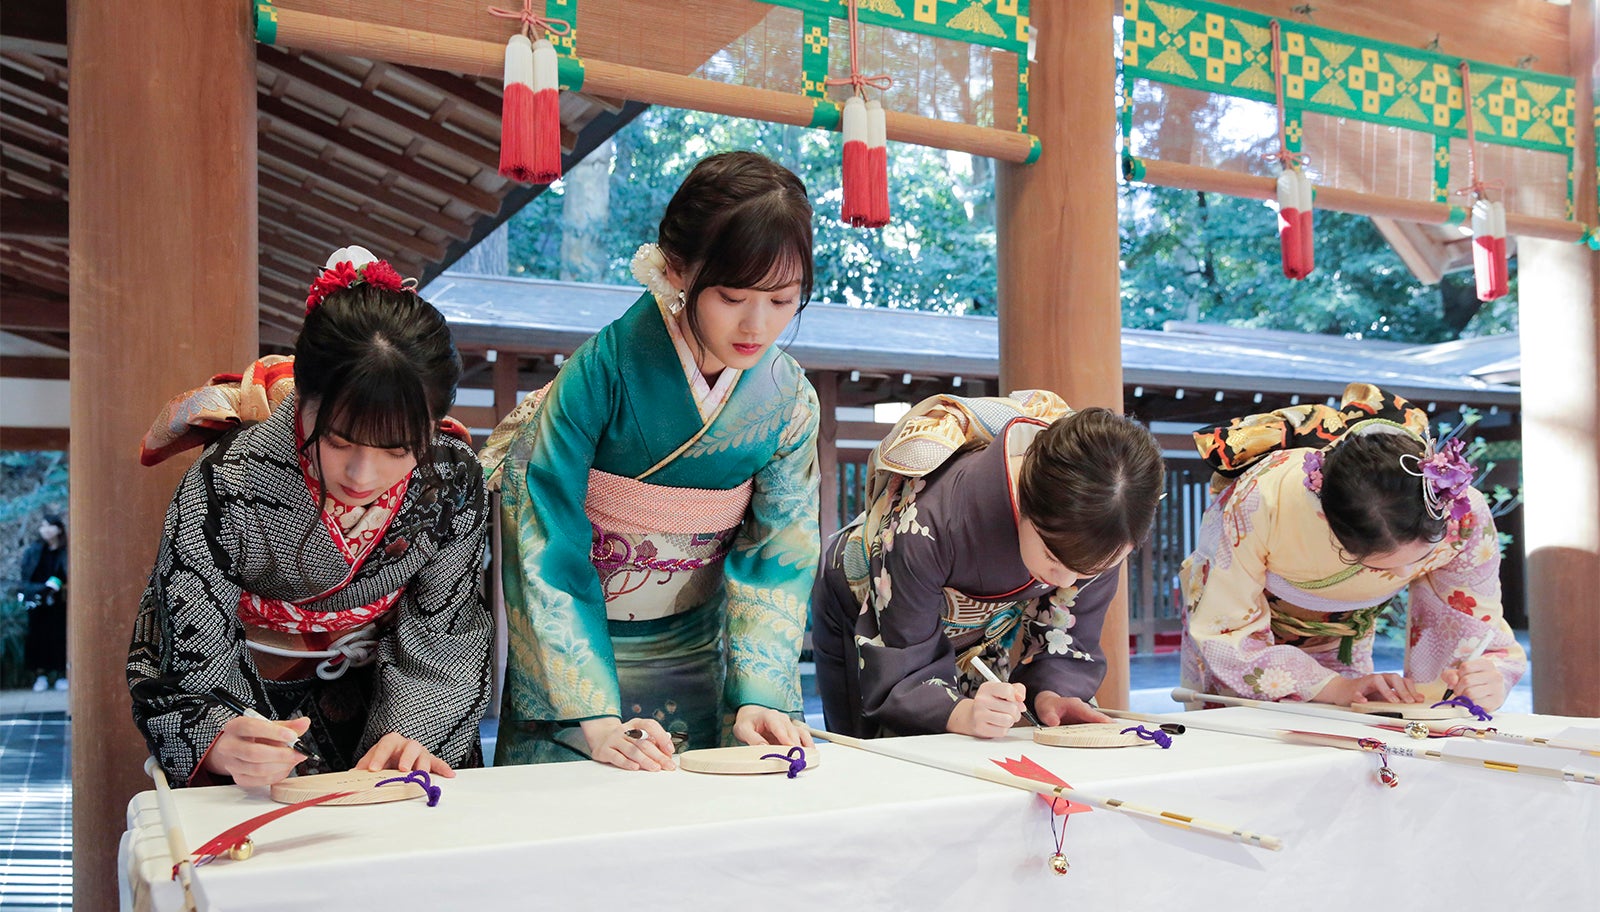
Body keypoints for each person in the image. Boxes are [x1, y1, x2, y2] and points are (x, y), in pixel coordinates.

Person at [482, 151, 819, 771]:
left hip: (703, 654)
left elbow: (781, 552)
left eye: (782, 301)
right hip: (583, 670)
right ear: (678, 270)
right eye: (733, 295)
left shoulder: (790, 400)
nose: (757, 324)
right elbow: (543, 534)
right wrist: (592, 717)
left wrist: (762, 695)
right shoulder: (601, 372)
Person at [128, 246, 493, 787]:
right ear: (305, 399)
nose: (363, 475)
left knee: (408, 829)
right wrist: (221, 736)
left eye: (398, 451)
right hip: (250, 700)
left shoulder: (451, 478)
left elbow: (446, 628)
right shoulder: (232, 477)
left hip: (396, 700)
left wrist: (414, 732)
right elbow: (190, 636)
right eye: (342, 441)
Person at [812, 392, 1165, 738]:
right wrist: (958, 712)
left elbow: (1067, 635)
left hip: (979, 635)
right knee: (878, 754)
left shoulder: (1104, 532)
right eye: (1054, 558)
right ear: (1024, 500)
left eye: (1090, 569)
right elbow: (902, 664)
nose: (1068, 579)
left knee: (992, 727)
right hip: (870, 606)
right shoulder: (929, 519)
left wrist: (1052, 695)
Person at [1179, 383, 1526, 711]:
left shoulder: (1461, 512)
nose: (1405, 574)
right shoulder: (1262, 500)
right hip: (1245, 651)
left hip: (1345, 645)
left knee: (1359, 737)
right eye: (1381, 566)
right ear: (1329, 523)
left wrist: (1481, 677)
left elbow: (1470, 626)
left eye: (1419, 558)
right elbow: (1223, 632)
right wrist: (1333, 688)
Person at [18, 513, 67, 692]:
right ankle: (41, 675)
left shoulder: (65, 551)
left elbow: (66, 573)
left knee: (59, 636)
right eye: (42, 526)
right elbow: (26, 575)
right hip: (37, 600)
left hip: (59, 601)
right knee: (38, 637)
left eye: (49, 526)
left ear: (59, 529)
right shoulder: (34, 550)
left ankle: (61, 674)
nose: (45, 530)